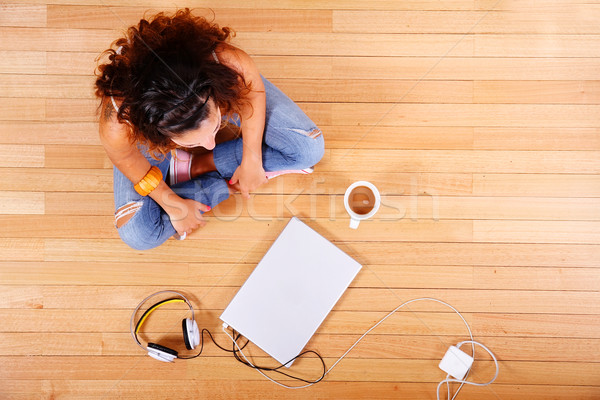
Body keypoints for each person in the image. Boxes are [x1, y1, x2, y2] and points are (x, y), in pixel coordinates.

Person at [95, 9, 324, 250]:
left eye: (216, 126)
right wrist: (171, 201)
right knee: (139, 235)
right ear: (160, 136)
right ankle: (214, 181)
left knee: (308, 149)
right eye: (192, 144)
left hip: (218, 89)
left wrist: (252, 159)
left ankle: (197, 166)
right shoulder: (118, 121)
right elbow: (125, 156)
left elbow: (251, 96)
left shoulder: (227, 62)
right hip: (152, 121)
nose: (211, 143)